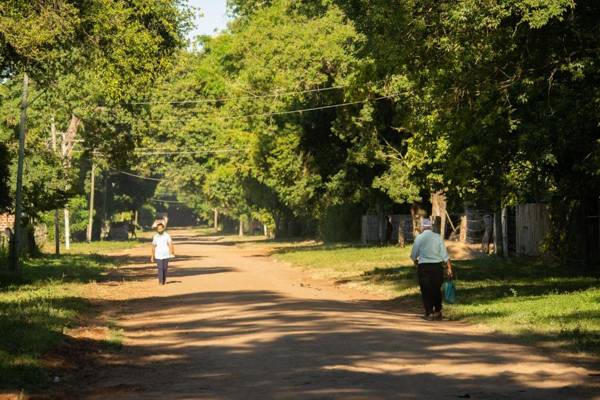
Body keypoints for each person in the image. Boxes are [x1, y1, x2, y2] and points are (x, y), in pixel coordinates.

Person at [410, 218, 453, 321]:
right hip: (437, 267)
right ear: (431, 227)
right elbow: (445, 254)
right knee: (436, 289)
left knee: (426, 290)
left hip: (424, 267)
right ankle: (438, 311)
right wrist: (449, 268)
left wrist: (416, 262)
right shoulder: (438, 237)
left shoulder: (419, 238)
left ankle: (429, 313)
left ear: (422, 227)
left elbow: (413, 255)